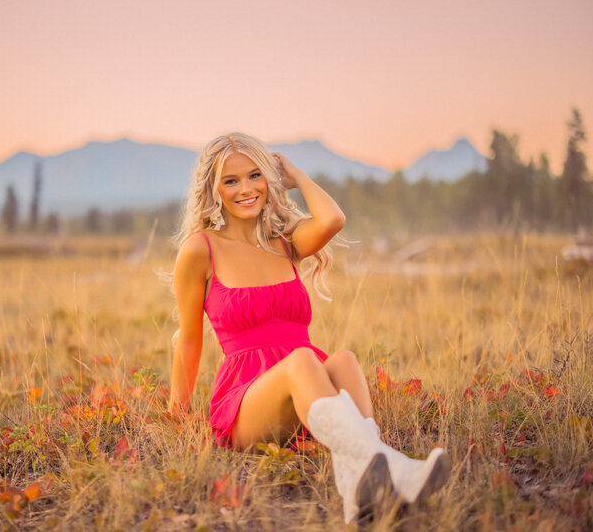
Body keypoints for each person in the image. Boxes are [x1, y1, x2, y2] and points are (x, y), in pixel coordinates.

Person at [167, 132, 450, 525]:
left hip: (309, 388)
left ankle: (360, 482)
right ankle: (393, 468)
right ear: (214, 189)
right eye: (231, 181)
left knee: (345, 361)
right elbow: (190, 340)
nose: (246, 189)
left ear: (269, 177)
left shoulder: (285, 242)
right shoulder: (201, 249)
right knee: (303, 360)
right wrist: (176, 415)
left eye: (255, 175)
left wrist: (296, 174)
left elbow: (333, 219)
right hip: (247, 402)